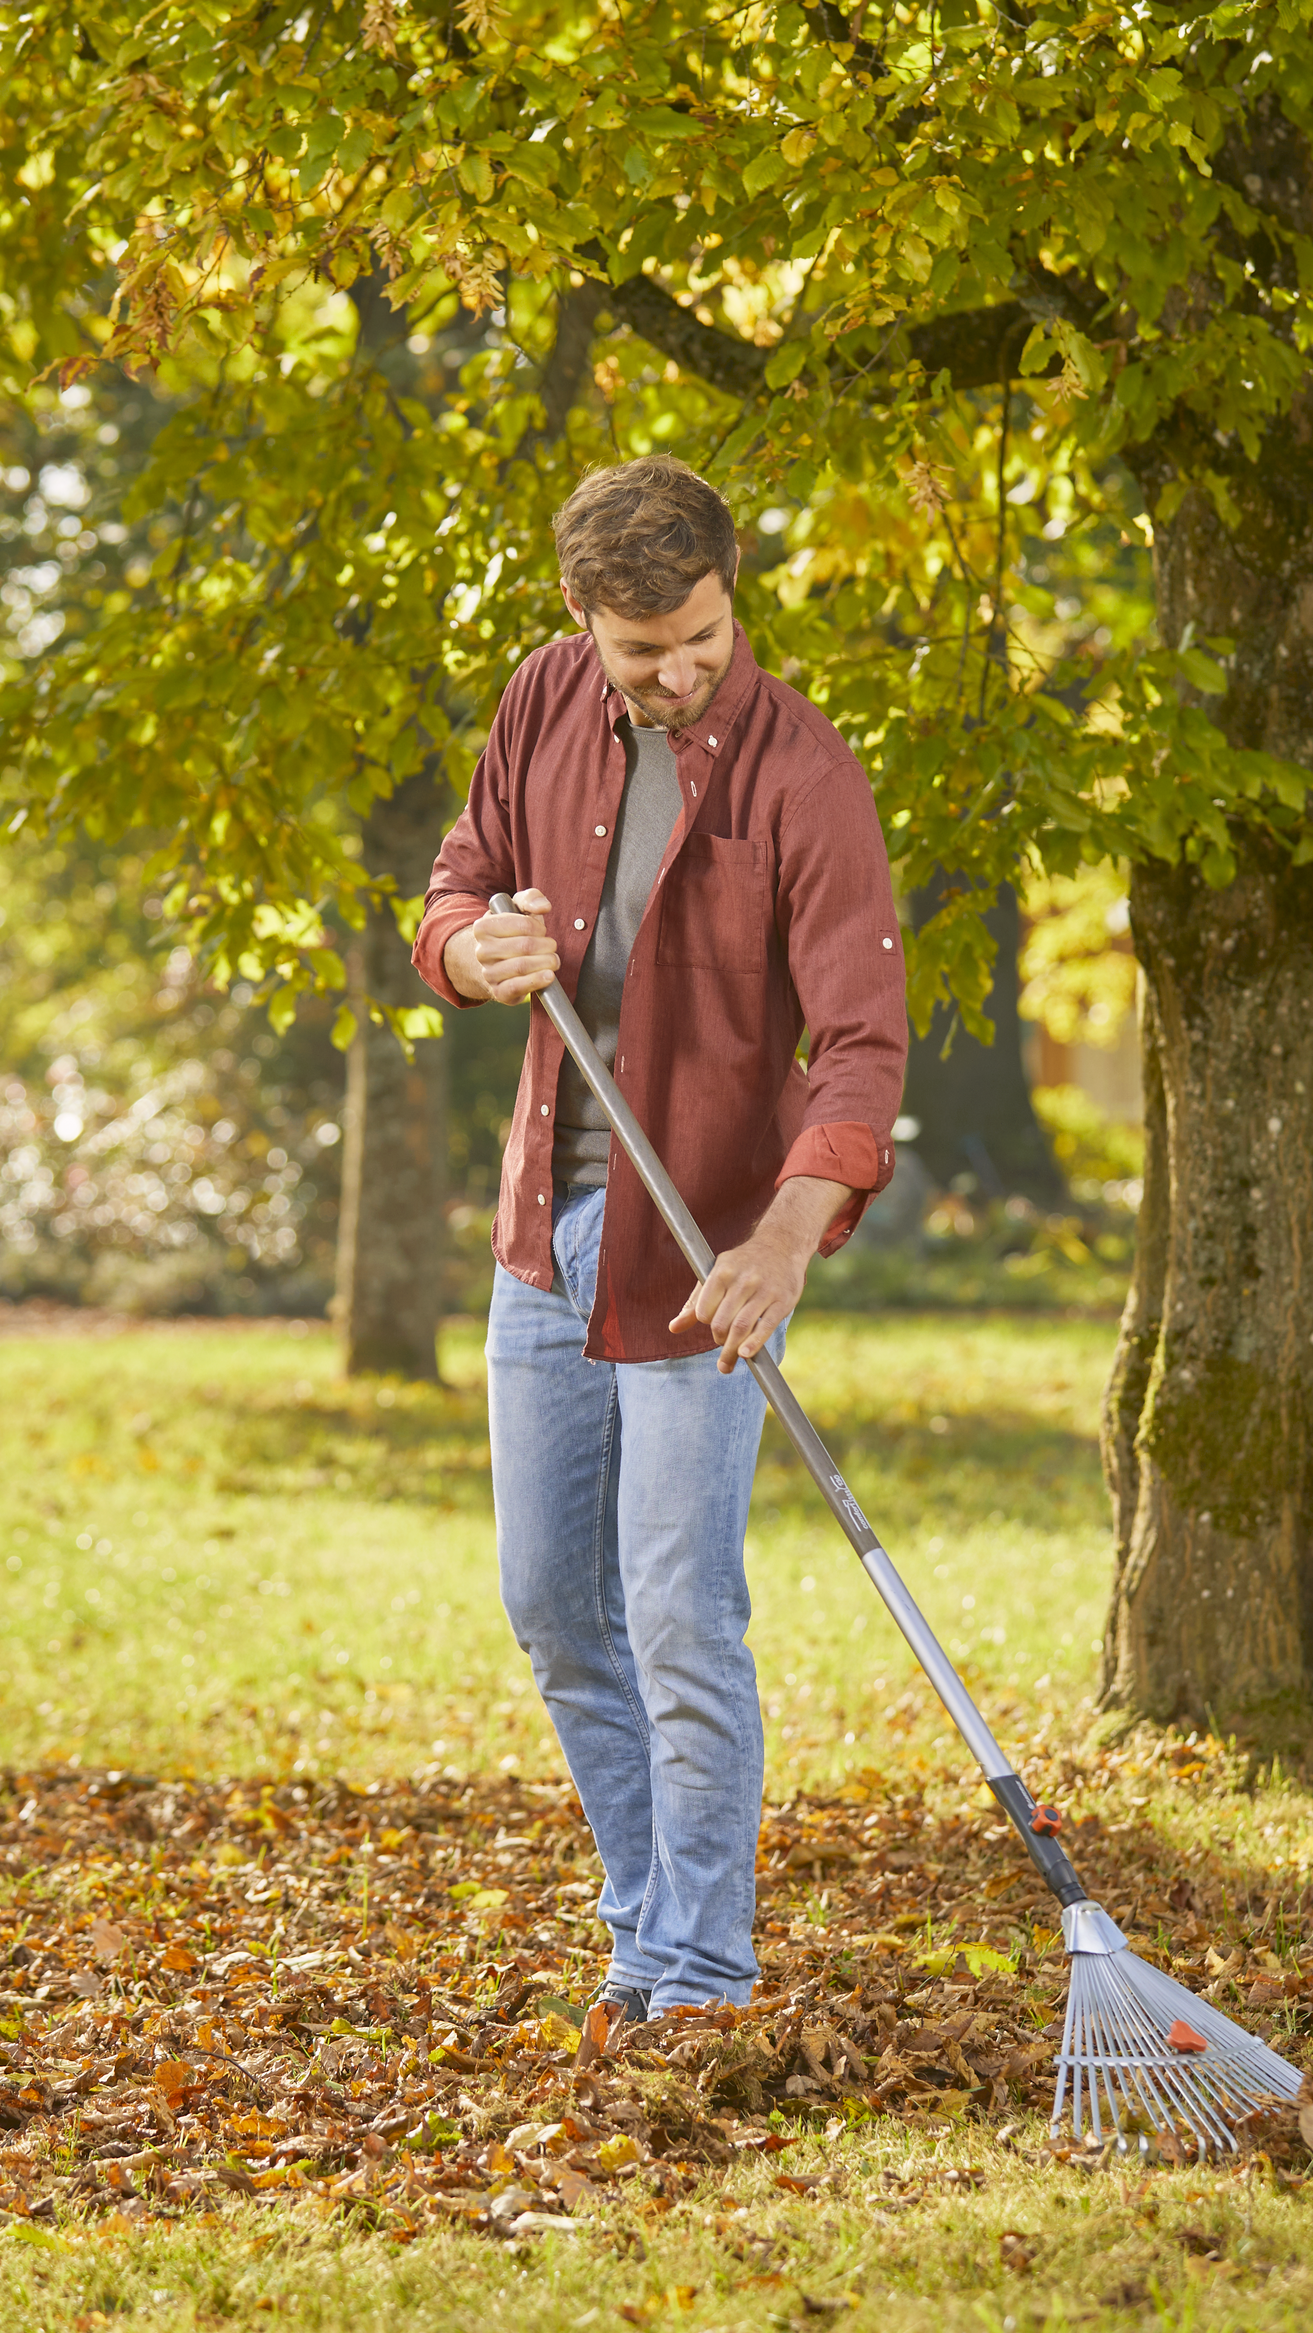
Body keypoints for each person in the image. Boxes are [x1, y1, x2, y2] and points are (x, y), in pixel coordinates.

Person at [414, 454, 908, 2026]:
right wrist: (467, 948)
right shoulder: (542, 701)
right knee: (554, 1603)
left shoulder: (804, 772)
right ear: (583, 624)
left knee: (683, 1613)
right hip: (541, 1235)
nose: (682, 674)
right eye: (646, 655)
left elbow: (862, 1047)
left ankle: (697, 1976)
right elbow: (457, 888)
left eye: (702, 636)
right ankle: (645, 1929)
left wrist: (785, 1239)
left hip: (704, 1245)